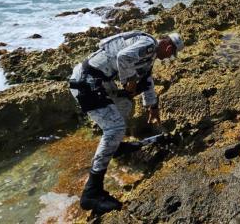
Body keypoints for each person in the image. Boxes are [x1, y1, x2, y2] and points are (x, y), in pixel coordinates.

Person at [68, 31, 184, 214]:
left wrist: (152, 106)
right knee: (115, 128)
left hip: (99, 81)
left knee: (125, 103)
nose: (168, 58)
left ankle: (115, 146)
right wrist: (129, 80)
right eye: (171, 55)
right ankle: (91, 192)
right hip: (86, 82)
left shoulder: (149, 53)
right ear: (169, 48)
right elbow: (123, 57)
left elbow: (147, 79)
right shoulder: (147, 44)